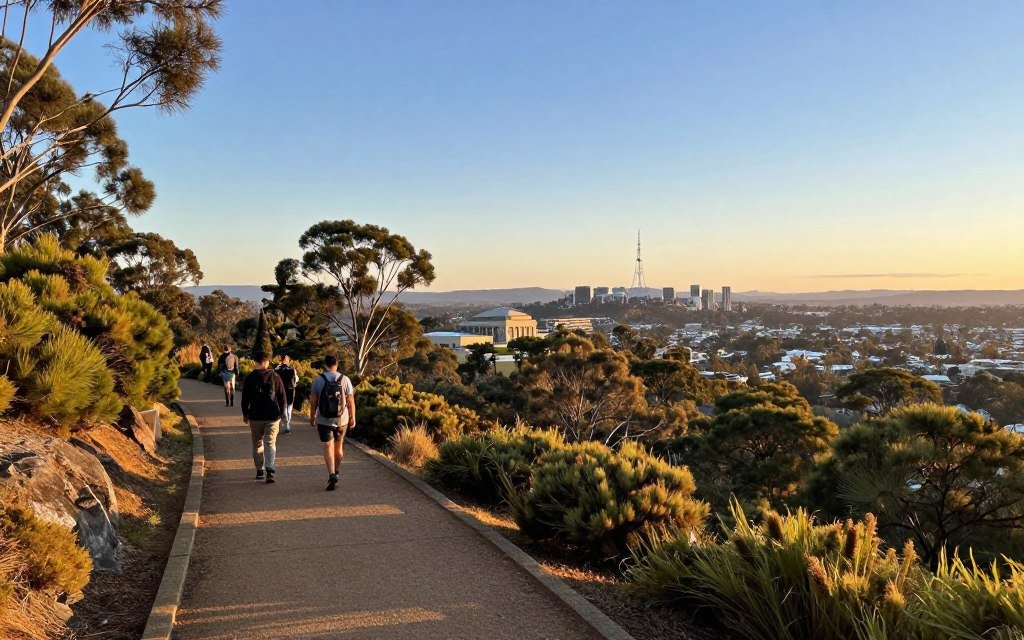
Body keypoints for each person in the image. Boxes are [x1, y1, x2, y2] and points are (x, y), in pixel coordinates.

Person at [309, 355, 355, 491]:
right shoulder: (345, 379)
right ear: (337, 364)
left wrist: (312, 417)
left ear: (325, 365)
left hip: (324, 419)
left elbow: (313, 401)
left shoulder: (318, 379)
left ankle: (331, 474)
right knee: (339, 446)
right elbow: (350, 400)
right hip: (342, 419)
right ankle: (336, 471)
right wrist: (352, 417)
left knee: (328, 446)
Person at [241, 352, 287, 483]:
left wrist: (245, 414)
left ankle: (260, 469)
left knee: (257, 444)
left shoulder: (250, 378)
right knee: (270, 443)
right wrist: (281, 414)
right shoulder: (275, 376)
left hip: (255, 416)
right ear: (267, 362)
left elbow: (245, 399)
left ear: (255, 362)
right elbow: (282, 398)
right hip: (272, 416)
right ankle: (270, 469)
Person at [275, 355, 298, 433]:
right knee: (289, 408)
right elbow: (295, 380)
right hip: (290, 391)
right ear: (288, 361)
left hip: (280, 391)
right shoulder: (292, 370)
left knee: (282, 408)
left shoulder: (277, 370)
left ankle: (285, 423)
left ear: (281, 361)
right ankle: (287, 424)